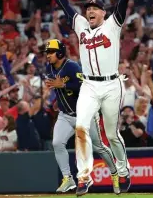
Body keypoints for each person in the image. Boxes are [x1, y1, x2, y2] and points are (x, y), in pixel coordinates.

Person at [42, 0, 140, 195]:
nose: (90, 11)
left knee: (113, 135)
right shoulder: (82, 26)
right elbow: (65, 5)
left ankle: (124, 171)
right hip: (89, 85)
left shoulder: (112, 24)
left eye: (95, 8)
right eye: (88, 9)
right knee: (81, 126)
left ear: (103, 12)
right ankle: (84, 177)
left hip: (111, 85)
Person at [44, 39, 119, 194]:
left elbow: (87, 87)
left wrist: (64, 86)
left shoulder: (71, 67)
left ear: (60, 53)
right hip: (65, 114)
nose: (48, 55)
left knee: (99, 147)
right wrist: (57, 99)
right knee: (57, 143)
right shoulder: (49, 68)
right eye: (47, 52)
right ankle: (67, 178)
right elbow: (59, 90)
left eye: (51, 52)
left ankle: (115, 172)